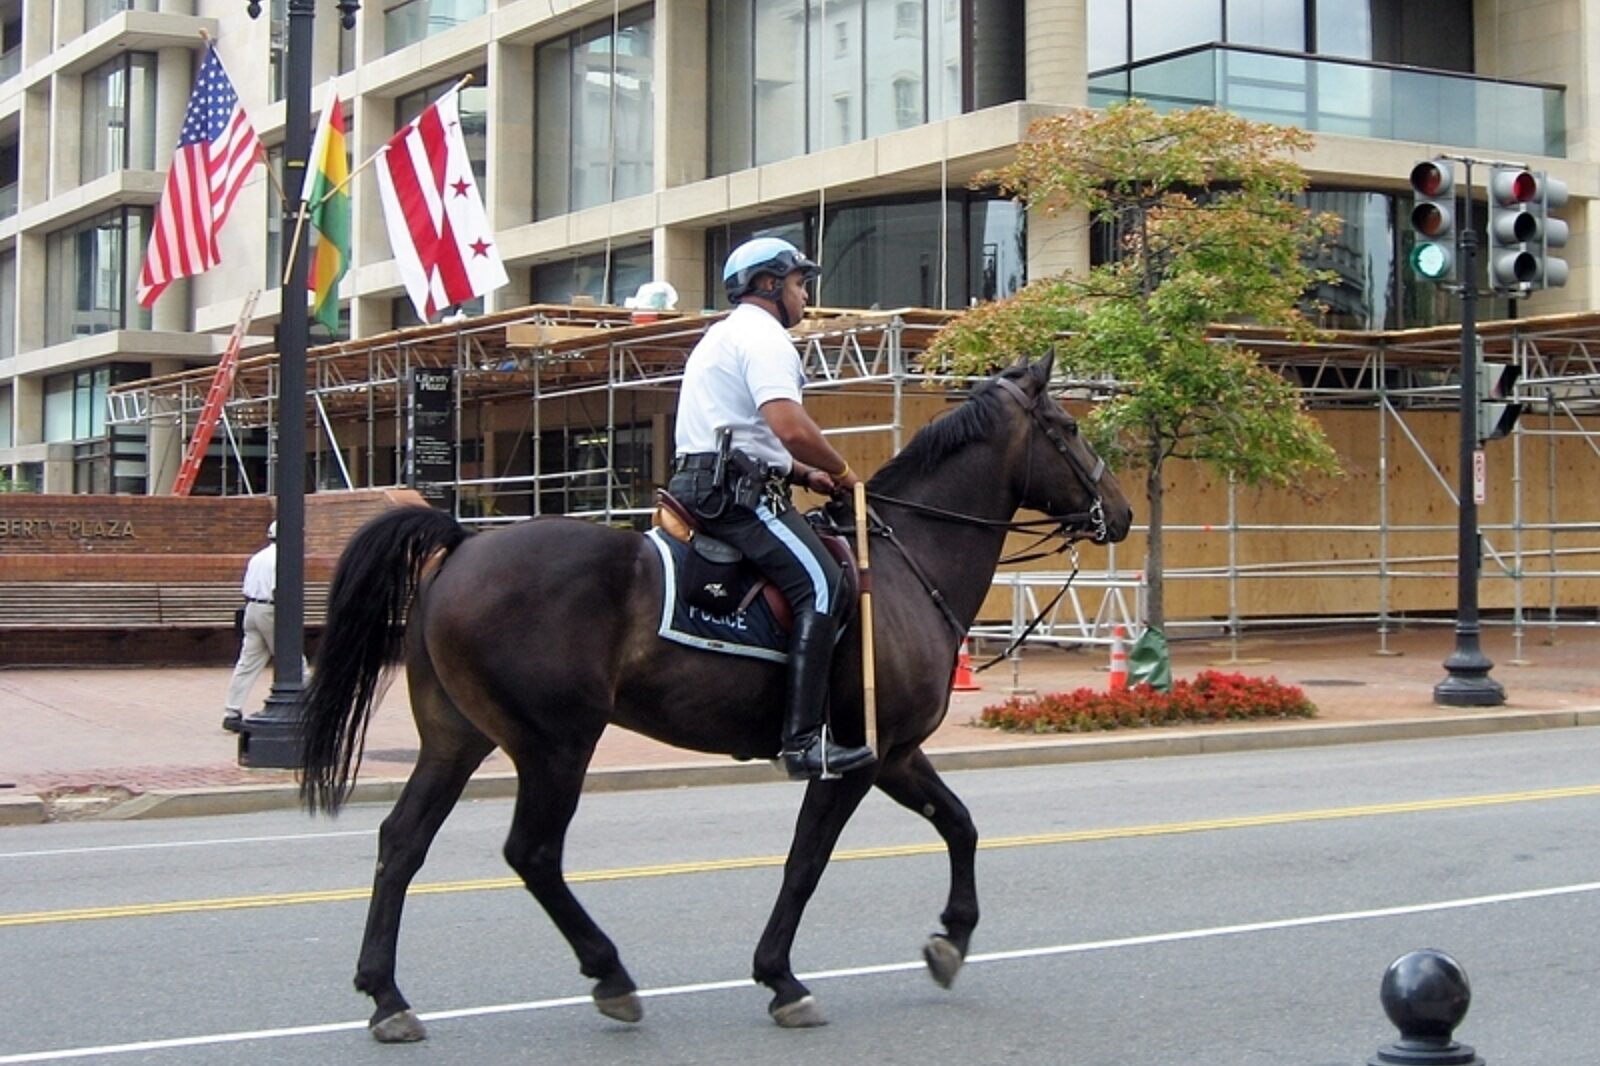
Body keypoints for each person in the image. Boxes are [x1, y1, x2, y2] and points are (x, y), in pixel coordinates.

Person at [668, 236, 875, 781]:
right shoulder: (766, 338)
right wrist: (843, 471)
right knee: (824, 584)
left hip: (707, 479)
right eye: (800, 283)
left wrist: (802, 474)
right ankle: (803, 742)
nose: (805, 296)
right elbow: (788, 426)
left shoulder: (722, 334)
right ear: (768, 284)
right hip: (736, 496)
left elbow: (745, 434)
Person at [222, 521, 305, 732]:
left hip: (252, 608)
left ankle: (232, 711)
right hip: (271, 610)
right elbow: (281, 590)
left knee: (247, 663)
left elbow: (247, 587)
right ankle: (310, 707)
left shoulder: (258, 557)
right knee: (292, 659)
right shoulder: (284, 558)